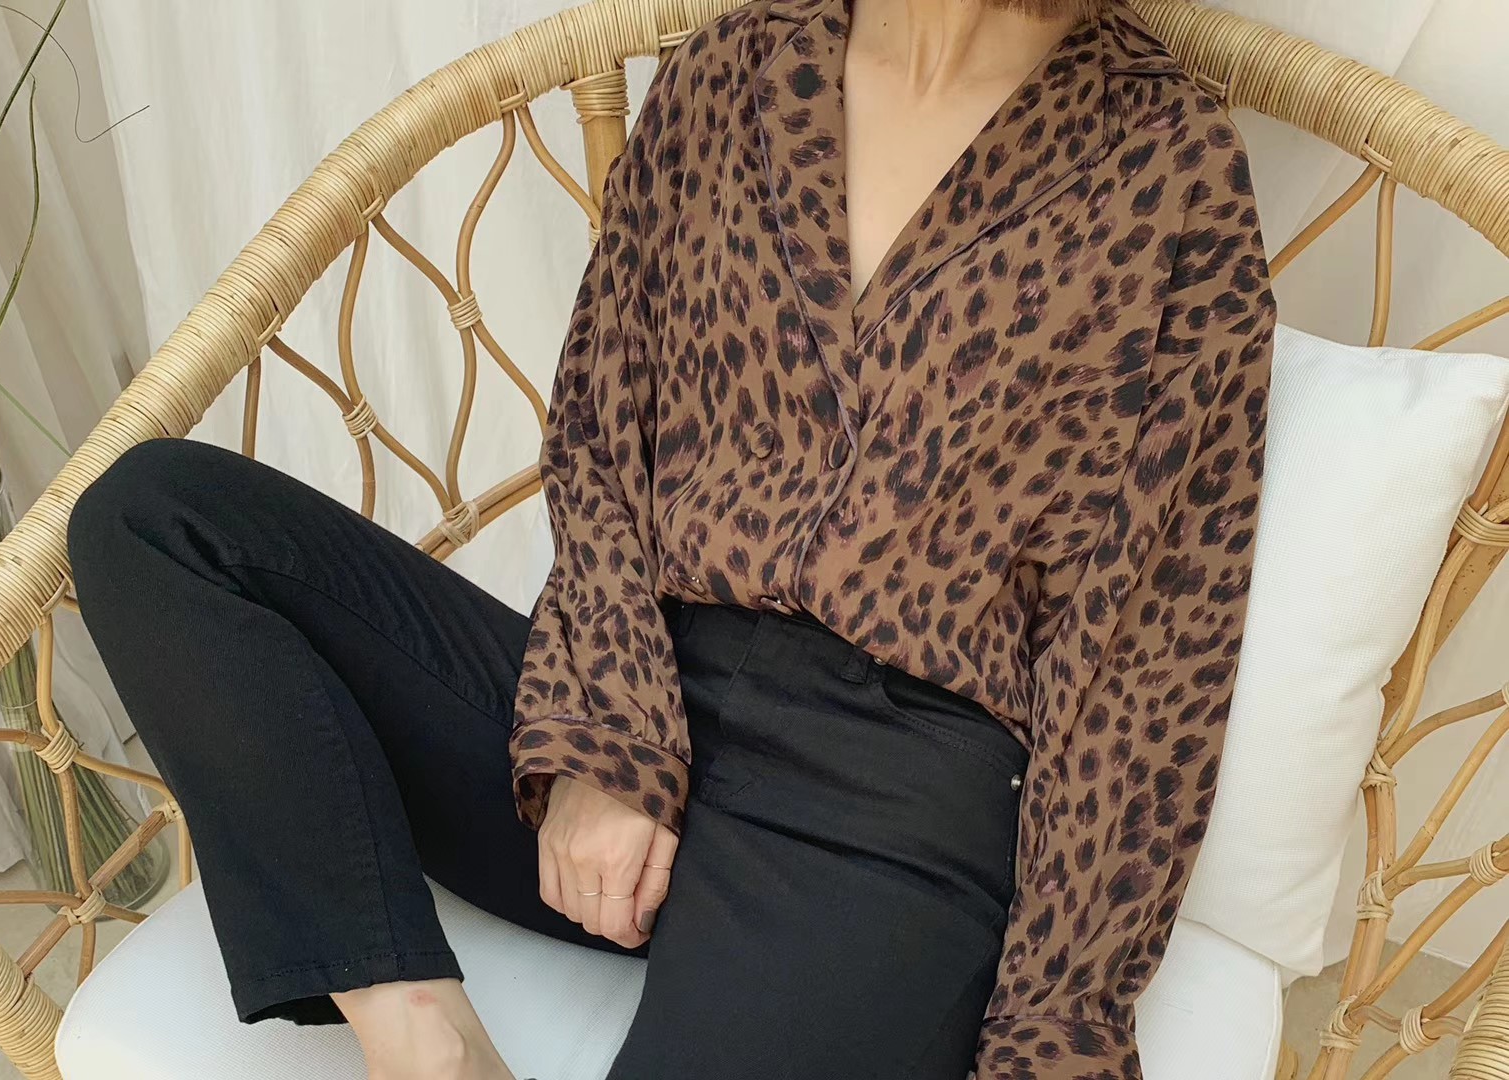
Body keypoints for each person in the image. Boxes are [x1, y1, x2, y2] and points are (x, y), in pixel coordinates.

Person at [67, 0, 1275, 1076]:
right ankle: (425, 1035)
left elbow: (1153, 653)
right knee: (155, 519)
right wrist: (606, 733)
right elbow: (601, 431)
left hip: (891, 803)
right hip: (651, 676)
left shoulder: (1171, 167)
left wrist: (1055, 1031)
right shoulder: (737, 72)